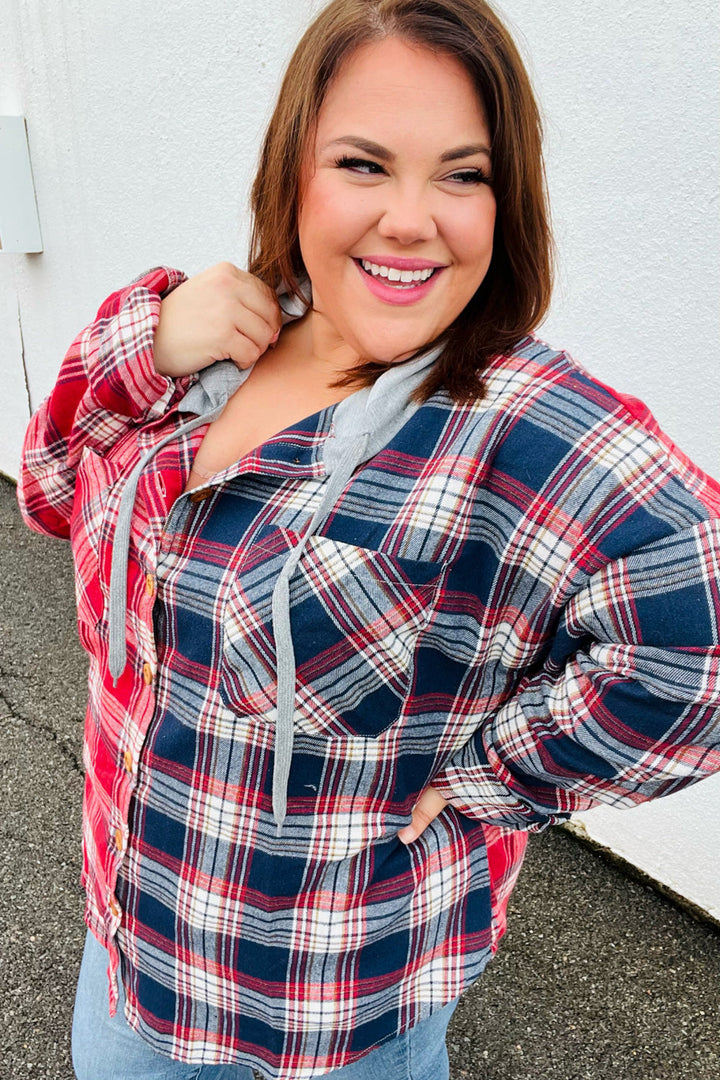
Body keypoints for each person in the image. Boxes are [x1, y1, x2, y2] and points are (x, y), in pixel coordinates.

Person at [17, 0, 720, 1078]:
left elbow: (698, 632)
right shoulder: (208, 350)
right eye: (363, 163)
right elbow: (55, 486)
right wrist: (145, 344)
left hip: (337, 1021)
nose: (409, 218)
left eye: (462, 173)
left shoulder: (512, 424)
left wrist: (499, 776)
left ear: (507, 198)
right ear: (293, 168)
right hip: (129, 962)